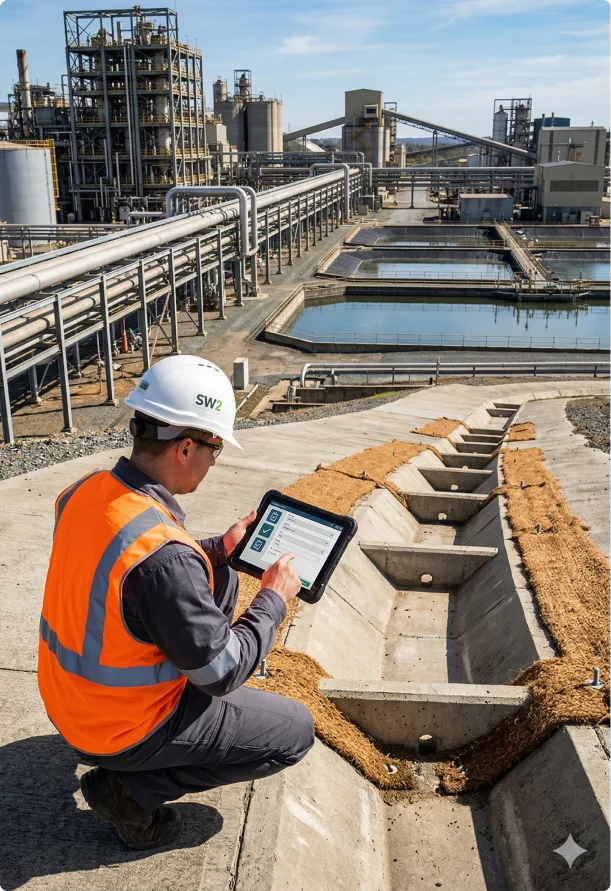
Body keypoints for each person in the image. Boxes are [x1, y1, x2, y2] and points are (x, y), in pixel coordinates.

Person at [37, 355, 315, 851]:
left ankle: (155, 744)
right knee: (294, 731)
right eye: (214, 449)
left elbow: (133, 580)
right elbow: (223, 672)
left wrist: (216, 552)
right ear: (185, 447)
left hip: (70, 704)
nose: (214, 461)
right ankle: (130, 790)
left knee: (222, 575)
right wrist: (273, 601)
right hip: (118, 728)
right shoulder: (164, 558)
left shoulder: (82, 494)